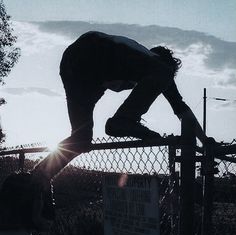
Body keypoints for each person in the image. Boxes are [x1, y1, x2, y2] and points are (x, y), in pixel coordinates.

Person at [33, 31, 206, 180]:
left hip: (76, 66)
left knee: (81, 140)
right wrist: (204, 141)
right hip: (92, 50)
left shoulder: (135, 64)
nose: (166, 84)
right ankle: (124, 120)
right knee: (163, 74)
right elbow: (180, 107)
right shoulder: (157, 64)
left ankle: (35, 179)